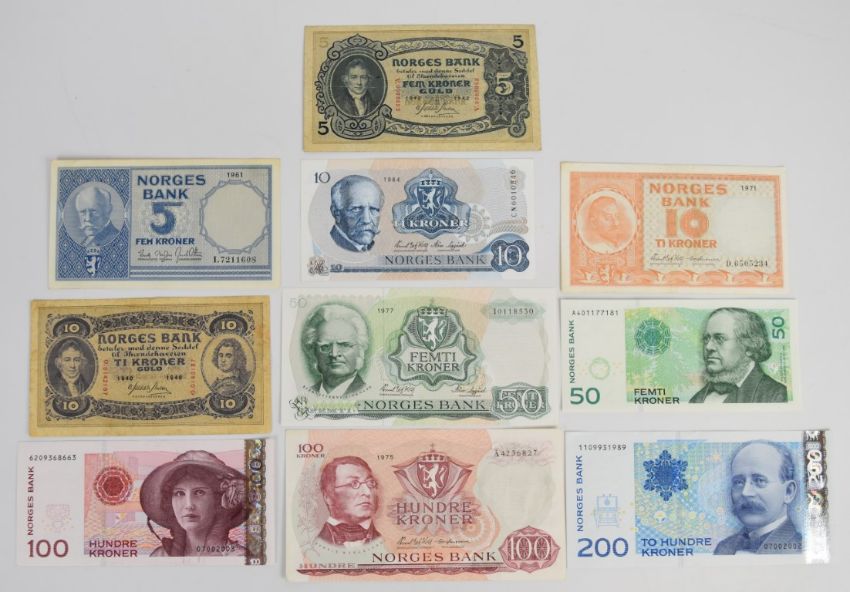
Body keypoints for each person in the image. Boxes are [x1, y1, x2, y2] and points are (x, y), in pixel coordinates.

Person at [140, 450, 247, 557]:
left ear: (217, 500)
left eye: (199, 492)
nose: (189, 505)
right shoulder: (160, 556)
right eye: (179, 493)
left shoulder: (239, 557)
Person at [714, 441, 802, 554]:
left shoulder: (802, 549)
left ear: (788, 492)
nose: (745, 492)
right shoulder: (723, 549)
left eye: (759, 481)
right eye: (738, 482)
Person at [689, 308, 787, 403]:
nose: (708, 347)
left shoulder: (775, 395)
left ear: (750, 346)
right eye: (706, 339)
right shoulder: (696, 399)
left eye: (720, 338)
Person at [302, 304, 369, 397]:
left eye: (344, 345)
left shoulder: (367, 392)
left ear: (360, 350)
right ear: (314, 351)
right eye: (325, 346)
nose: (334, 354)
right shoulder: (305, 394)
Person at [316, 456, 381, 546]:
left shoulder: (385, 542)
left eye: (370, 483)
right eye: (354, 483)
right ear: (328, 497)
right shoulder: (314, 543)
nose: (367, 492)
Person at [329, 175, 384, 252]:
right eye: (356, 209)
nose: (366, 220)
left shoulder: (371, 247)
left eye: (374, 209)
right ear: (336, 213)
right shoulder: (331, 246)